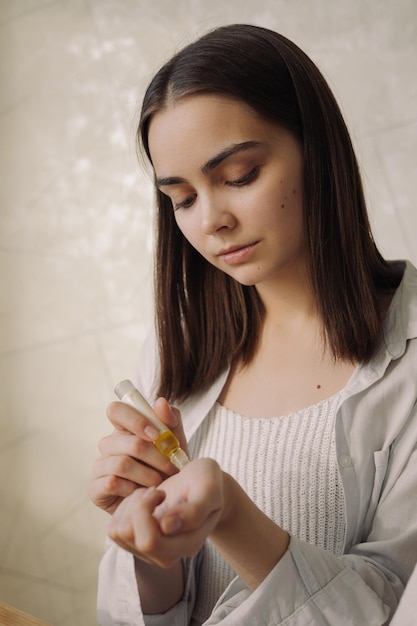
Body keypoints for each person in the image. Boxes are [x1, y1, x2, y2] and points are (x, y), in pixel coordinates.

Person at [88, 24, 417, 625]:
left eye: (238, 176)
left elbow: (391, 611)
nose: (211, 220)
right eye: (182, 198)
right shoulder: (176, 349)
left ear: (317, 151)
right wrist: (152, 544)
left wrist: (234, 519)